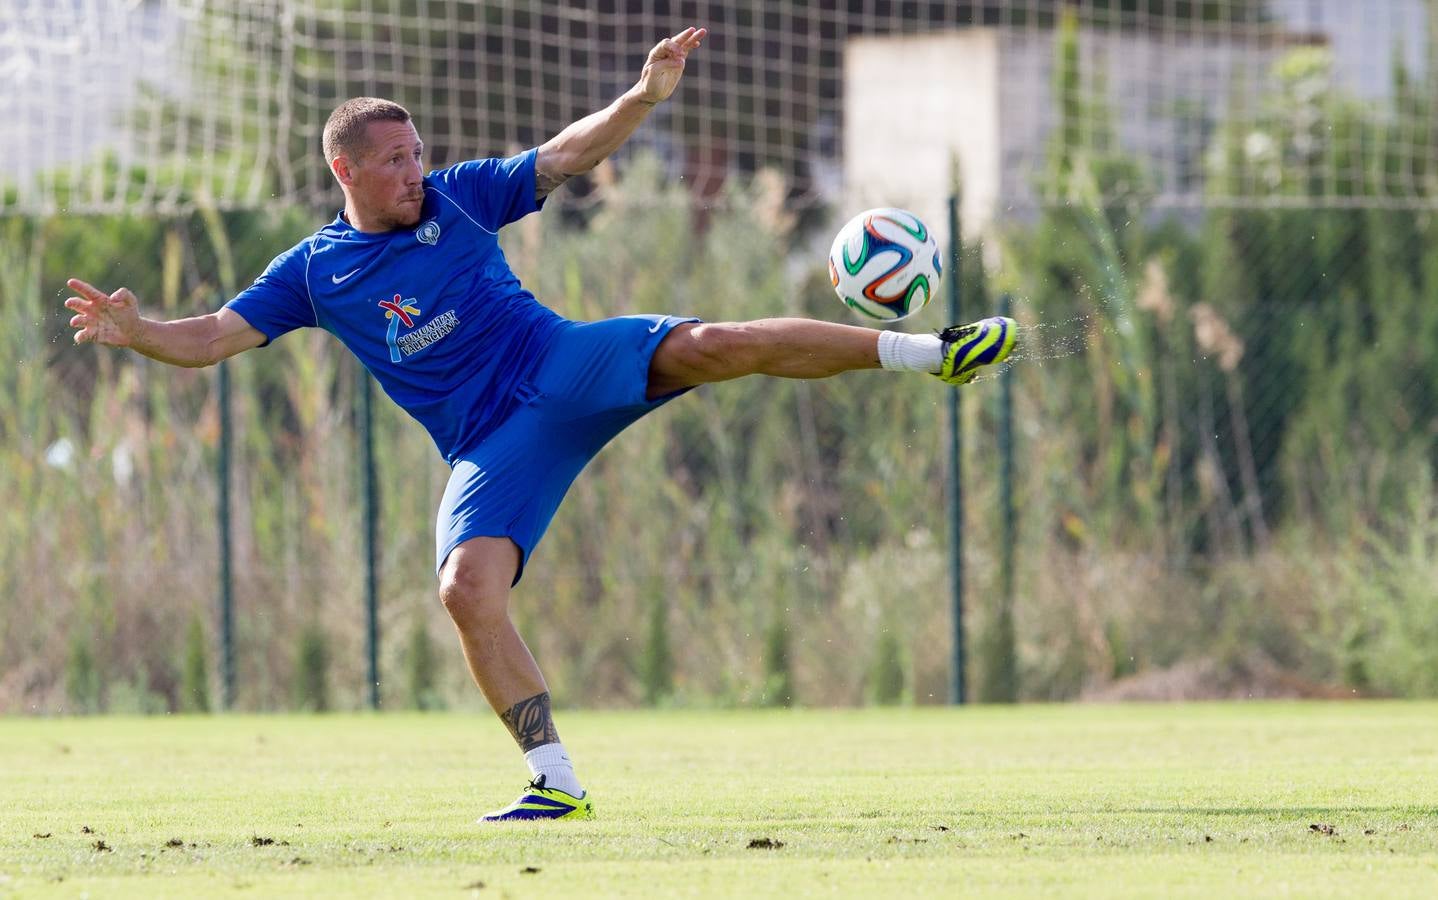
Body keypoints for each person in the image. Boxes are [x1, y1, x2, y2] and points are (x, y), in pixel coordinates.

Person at [65, 26, 1016, 821]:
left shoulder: (459, 199)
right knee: (464, 590)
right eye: (395, 159)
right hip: (493, 445)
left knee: (718, 341)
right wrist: (138, 330)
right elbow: (215, 336)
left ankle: (934, 354)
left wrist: (643, 97)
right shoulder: (314, 273)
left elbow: (564, 155)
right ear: (342, 166)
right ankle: (553, 783)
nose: (415, 170)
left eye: (418, 152)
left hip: (560, 364)